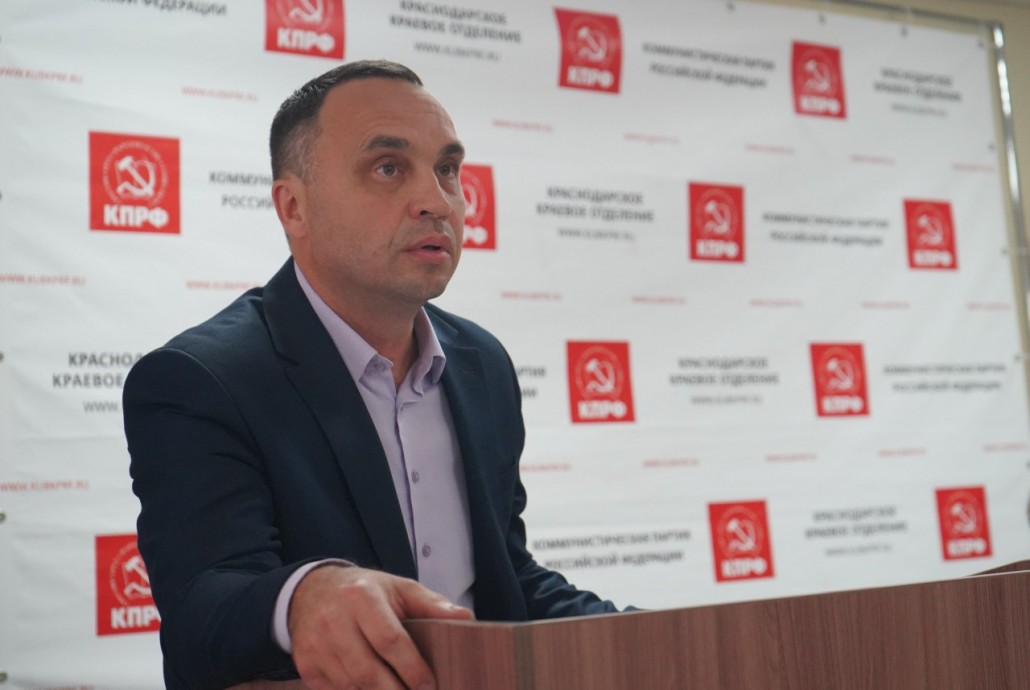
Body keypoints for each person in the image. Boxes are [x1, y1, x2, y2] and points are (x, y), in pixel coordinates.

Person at [124, 59, 623, 690]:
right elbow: (203, 610)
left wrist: (651, 640)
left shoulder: (483, 363)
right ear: (294, 207)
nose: (436, 202)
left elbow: (507, 581)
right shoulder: (201, 379)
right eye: (389, 168)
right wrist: (303, 597)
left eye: (447, 170)